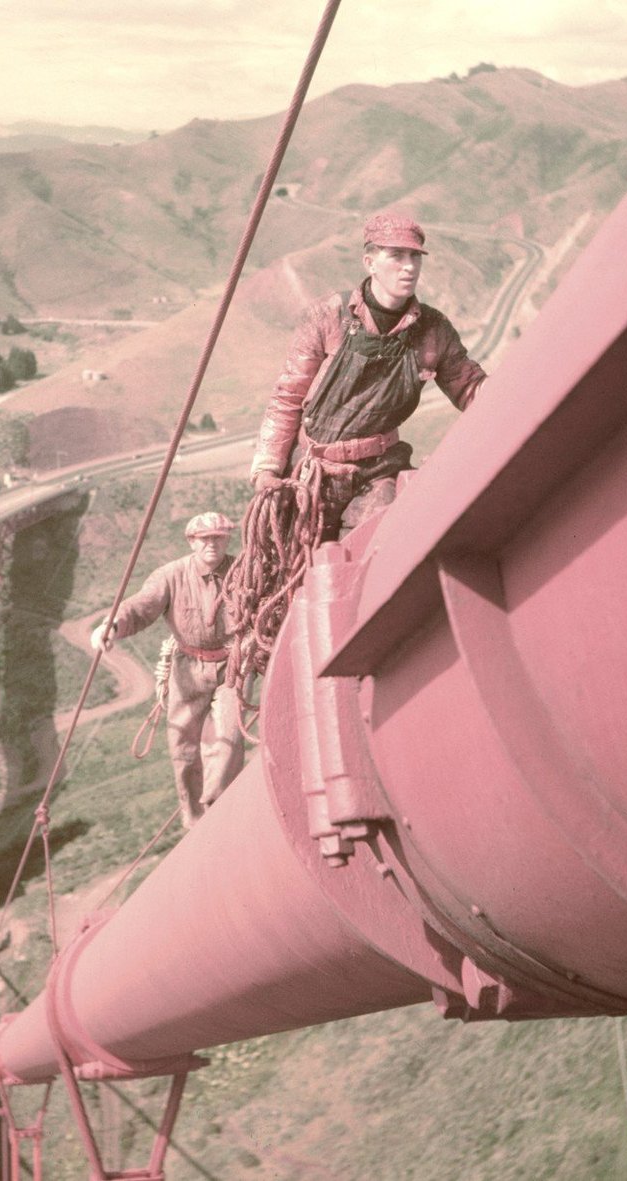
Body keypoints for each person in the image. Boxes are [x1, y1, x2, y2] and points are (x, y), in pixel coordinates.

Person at [250, 211, 487, 539]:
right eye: (396, 256)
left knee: (379, 551)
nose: (409, 267)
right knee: (295, 571)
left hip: (380, 470)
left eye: (415, 257)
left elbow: (472, 389)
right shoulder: (328, 316)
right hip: (313, 472)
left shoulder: (432, 329)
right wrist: (267, 467)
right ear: (370, 262)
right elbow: (288, 395)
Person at [91, 512, 244, 829]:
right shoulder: (170, 575)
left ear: (228, 539)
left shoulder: (243, 571)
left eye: (218, 537)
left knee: (227, 736)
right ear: (192, 542)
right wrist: (112, 625)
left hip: (232, 664)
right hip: (187, 668)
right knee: (183, 747)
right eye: (205, 539)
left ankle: (218, 809)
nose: (212, 545)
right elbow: (140, 606)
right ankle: (194, 817)